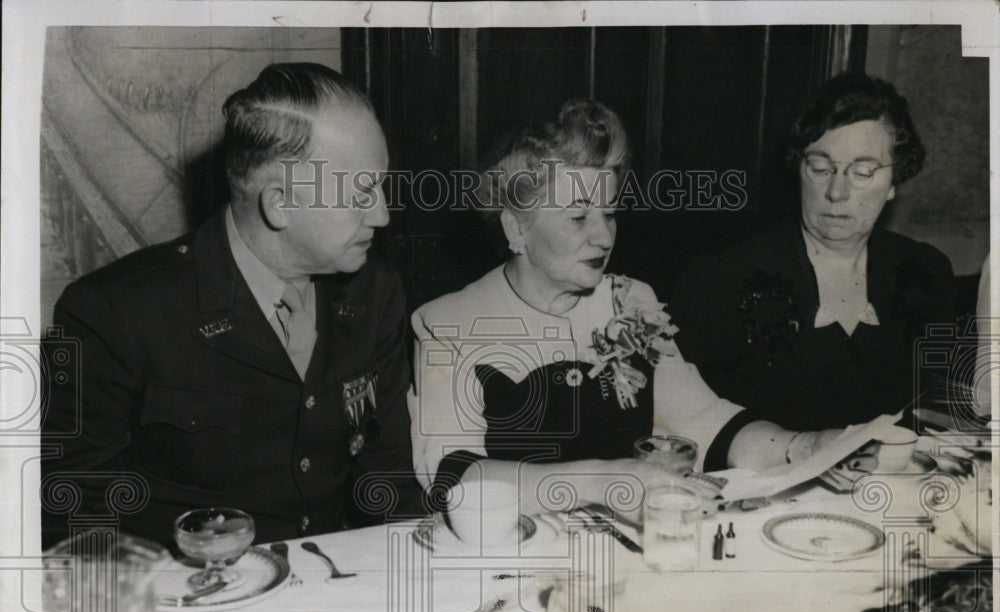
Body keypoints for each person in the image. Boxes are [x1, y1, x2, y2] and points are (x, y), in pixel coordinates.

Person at [42, 63, 419, 548]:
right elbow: (74, 528)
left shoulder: (375, 294)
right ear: (279, 203)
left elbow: (389, 488)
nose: (383, 214)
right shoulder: (116, 314)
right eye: (362, 192)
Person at [408, 99, 841, 520]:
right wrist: (604, 479)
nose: (603, 238)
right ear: (516, 228)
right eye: (578, 218)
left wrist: (801, 447)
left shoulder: (632, 302)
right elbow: (450, 476)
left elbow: (700, 417)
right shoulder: (449, 325)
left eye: (610, 214)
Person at [673, 74, 955, 431]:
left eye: (863, 172)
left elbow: (938, 415)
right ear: (800, 170)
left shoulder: (925, 272)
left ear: (893, 183)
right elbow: (678, 416)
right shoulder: (726, 276)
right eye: (820, 168)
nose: (837, 191)